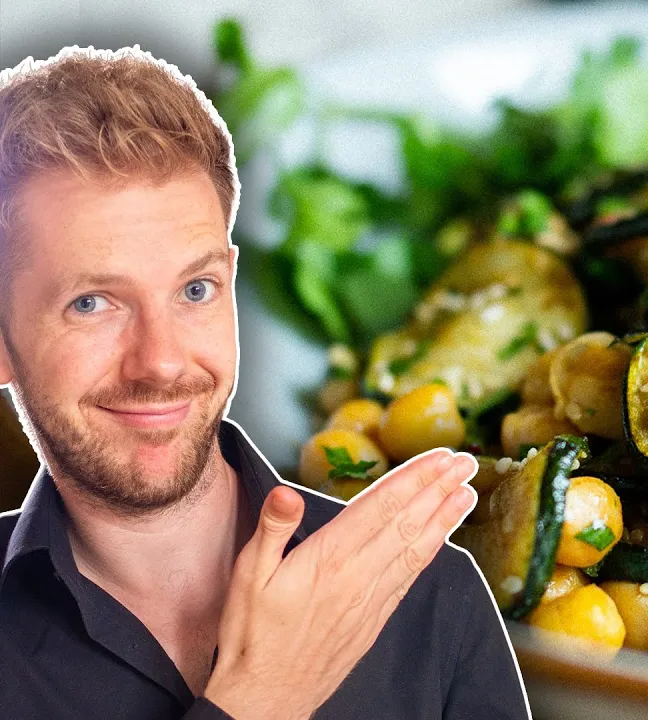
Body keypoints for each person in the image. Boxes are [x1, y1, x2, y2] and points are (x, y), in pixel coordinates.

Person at [0, 47, 530, 719]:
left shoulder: (427, 592)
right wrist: (259, 703)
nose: (161, 362)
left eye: (195, 289)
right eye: (91, 304)